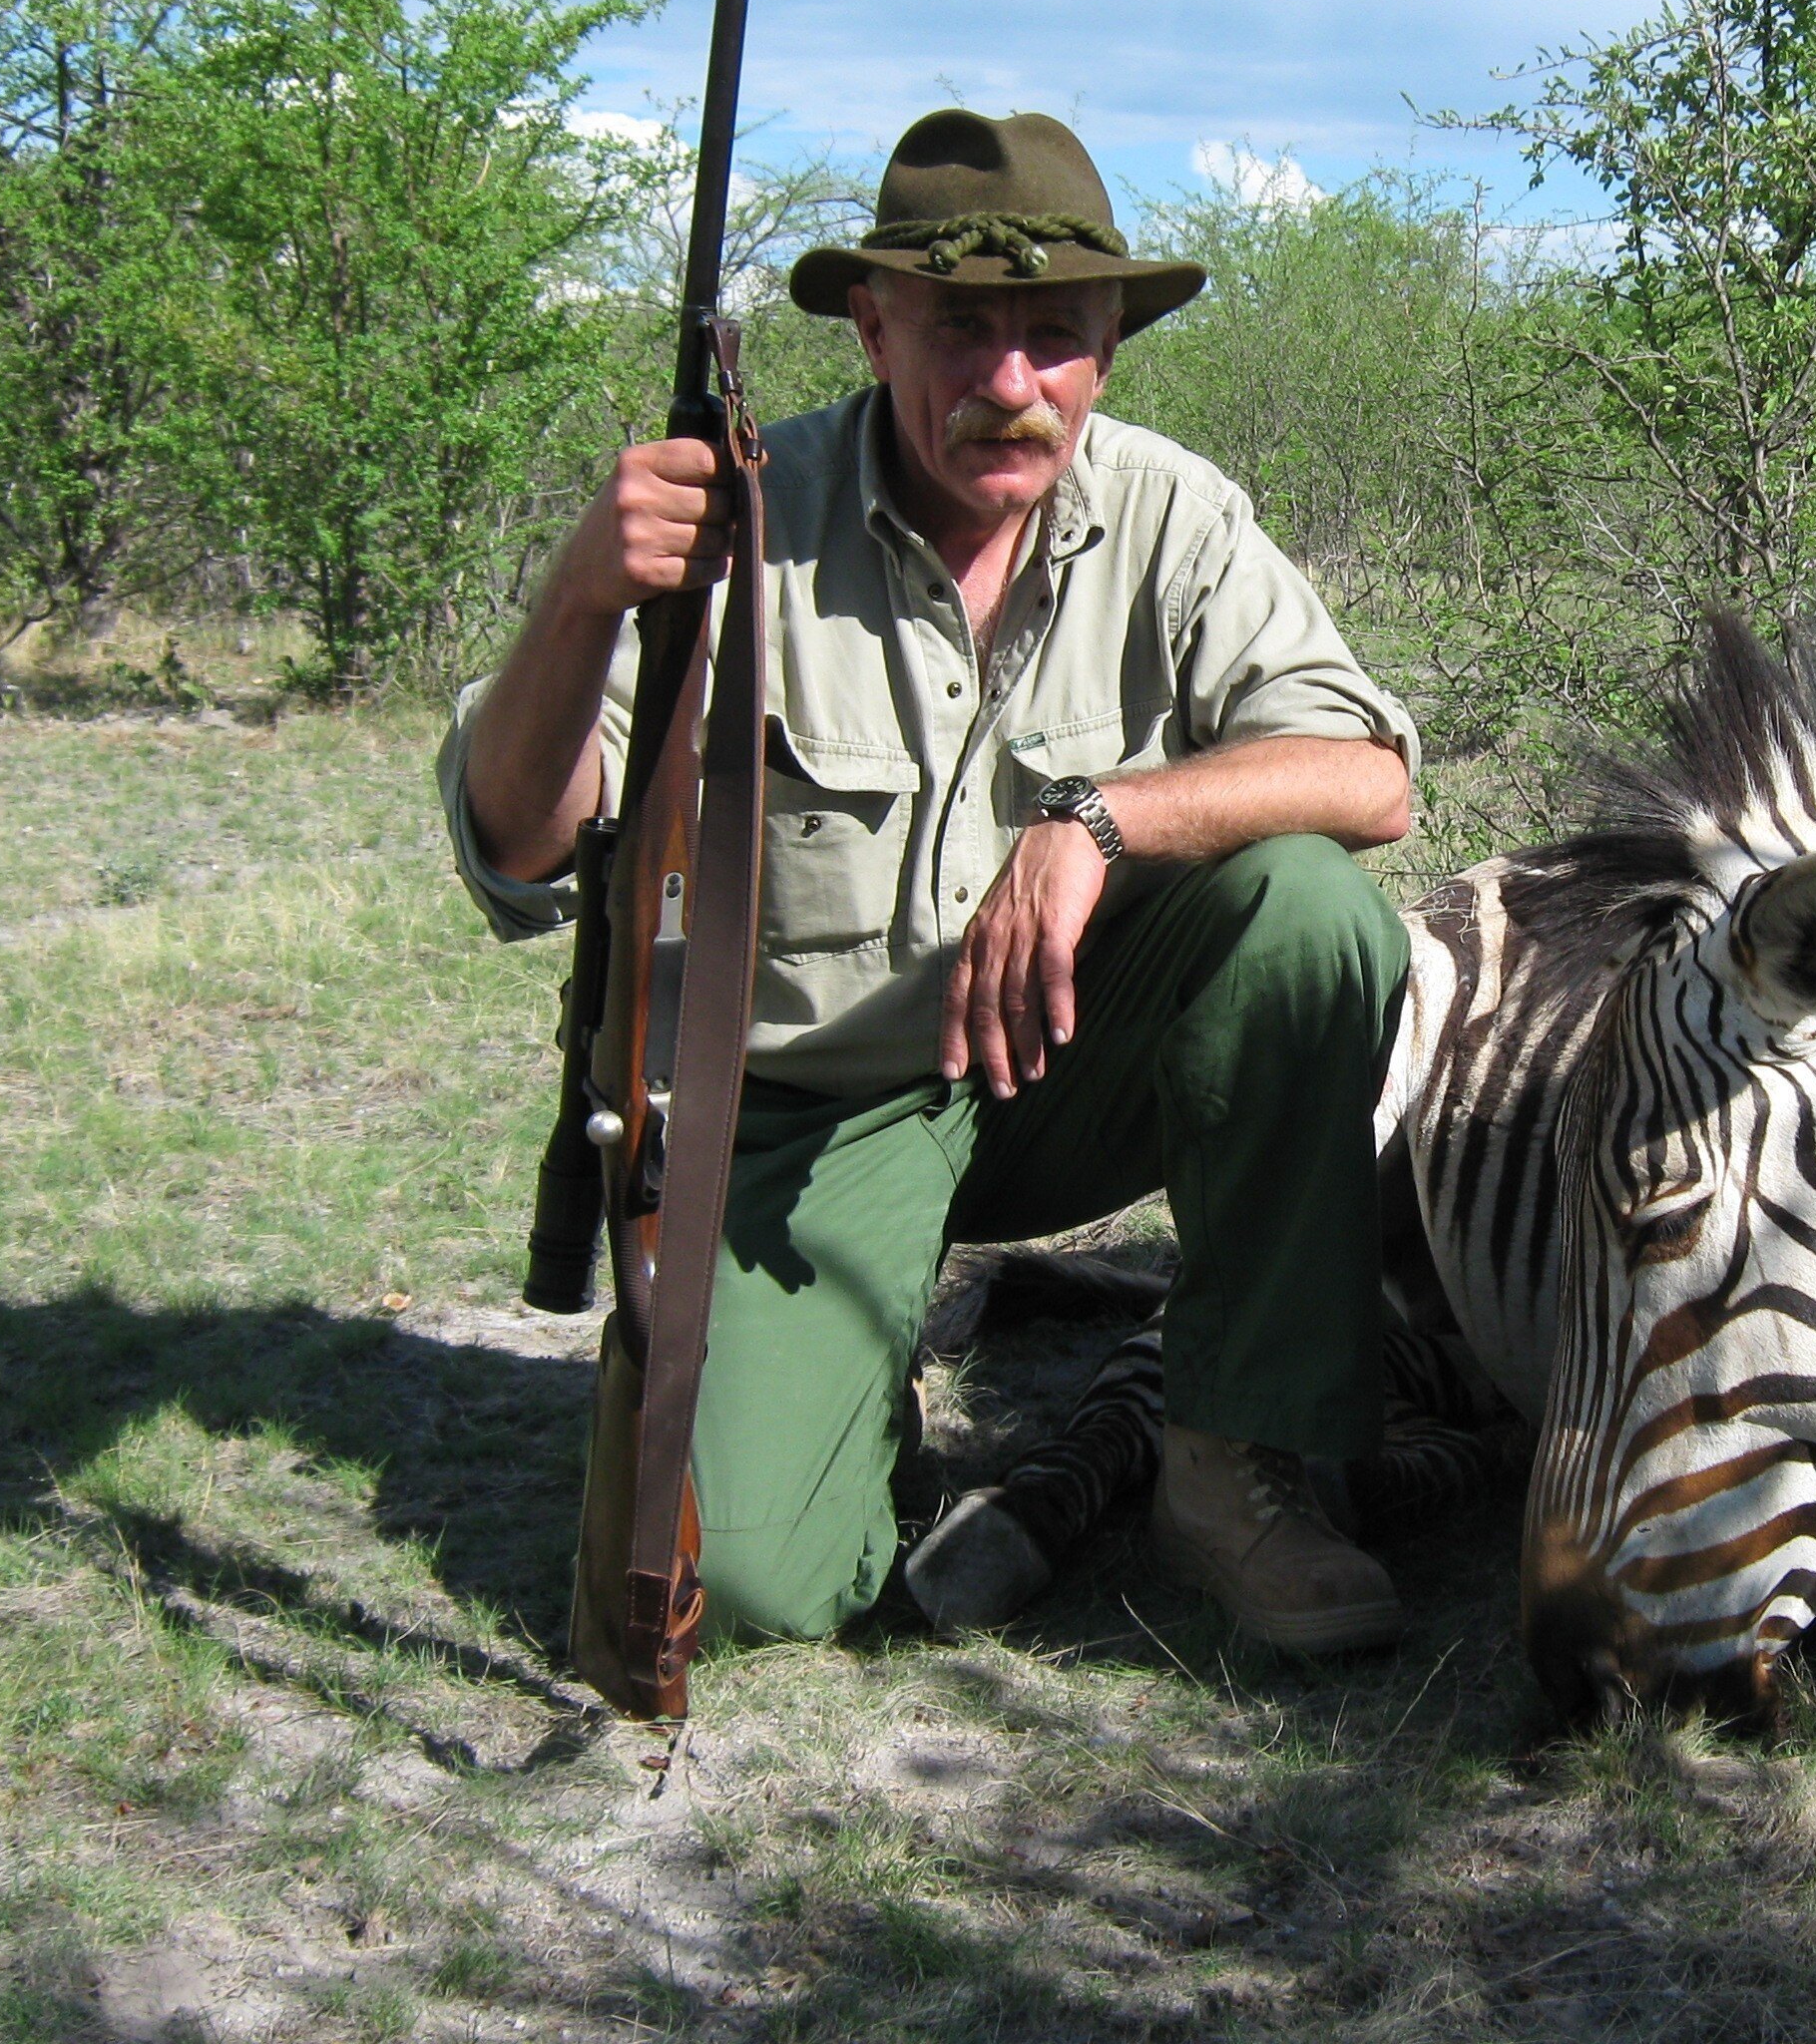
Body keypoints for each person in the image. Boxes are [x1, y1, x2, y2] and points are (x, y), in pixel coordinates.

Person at [437, 109, 1419, 1656]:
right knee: (747, 1587)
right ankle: (842, 1390)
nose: (1010, 383)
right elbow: (519, 844)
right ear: (874, 327)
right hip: (813, 1119)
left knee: (1309, 915)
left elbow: (1369, 777)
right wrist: (581, 590)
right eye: (964, 332)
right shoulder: (741, 525)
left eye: (1056, 336)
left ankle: (1234, 1463)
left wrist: (1094, 821)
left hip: (1061, 1071)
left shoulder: (1172, 511)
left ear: (1110, 349)